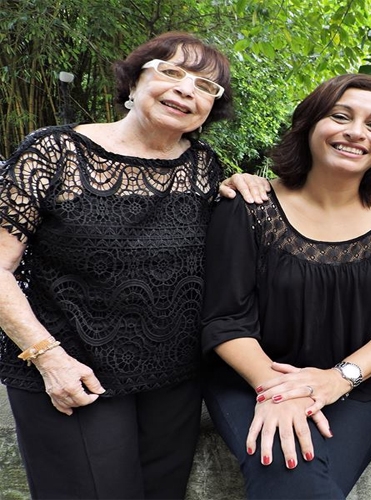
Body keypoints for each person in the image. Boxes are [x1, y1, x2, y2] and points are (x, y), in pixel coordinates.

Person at [0, 32, 233, 499]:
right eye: (171, 72)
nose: (186, 89)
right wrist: (48, 358)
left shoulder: (205, 169)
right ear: (133, 81)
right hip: (72, 368)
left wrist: (249, 186)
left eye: (206, 86)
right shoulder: (55, 153)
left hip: (174, 380)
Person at [200, 73, 371, 499]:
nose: (356, 132)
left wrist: (336, 379)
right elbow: (225, 318)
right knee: (293, 476)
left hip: (360, 387)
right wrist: (278, 391)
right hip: (251, 381)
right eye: (340, 116)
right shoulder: (249, 208)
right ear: (309, 124)